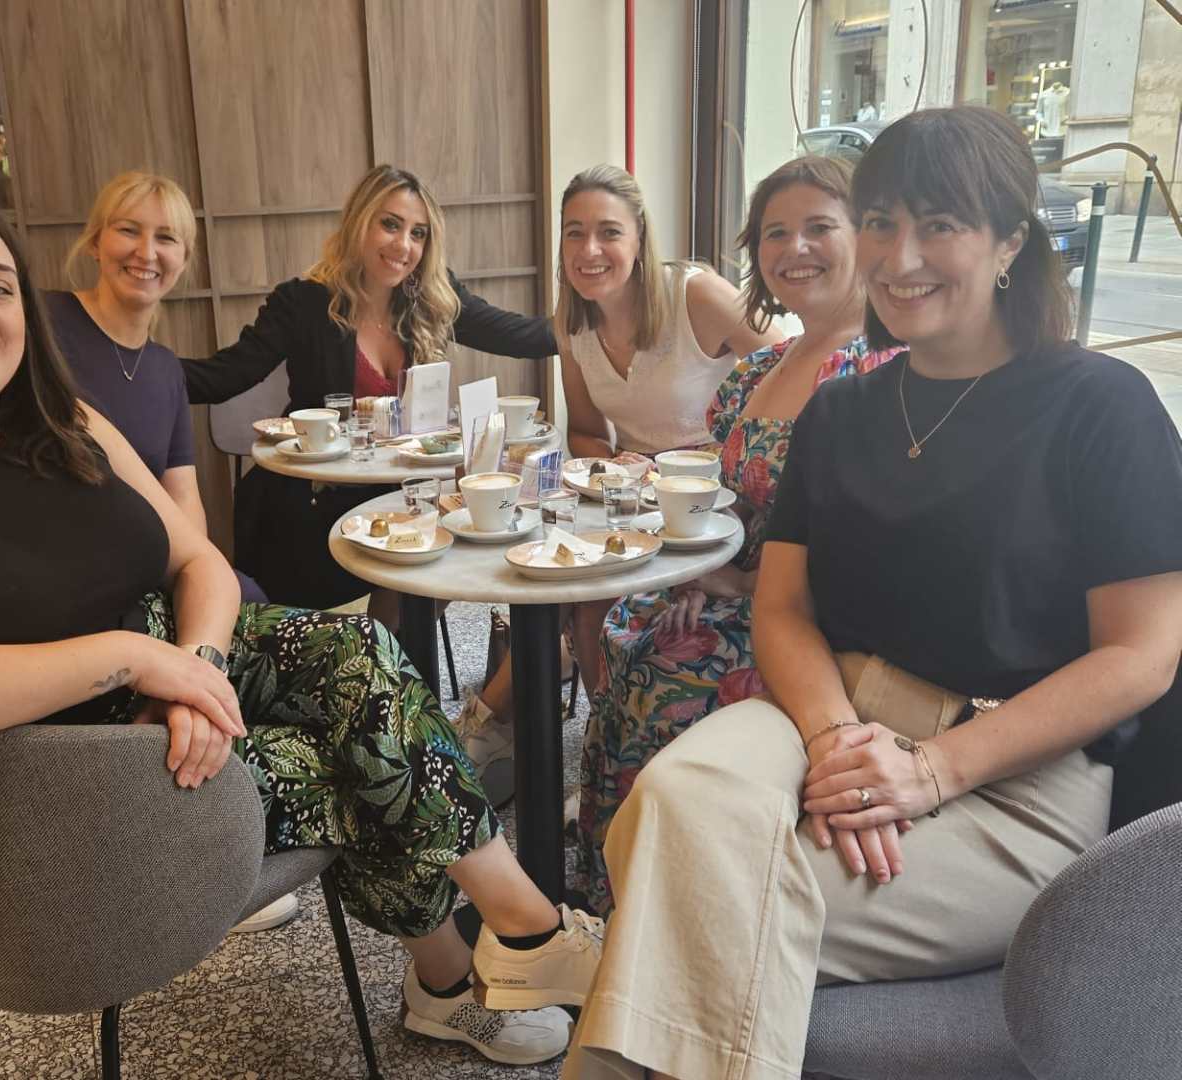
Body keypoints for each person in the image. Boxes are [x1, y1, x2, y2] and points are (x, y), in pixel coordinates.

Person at [0, 181, 602, 1068]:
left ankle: (513, 943)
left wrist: (198, 667)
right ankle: (477, 967)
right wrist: (133, 660)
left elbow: (199, 562)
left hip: (161, 690)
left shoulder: (60, 424)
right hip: (52, 775)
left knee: (363, 657)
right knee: (356, 757)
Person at [553, 107, 1182, 1079]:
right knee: (672, 799)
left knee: (686, 883)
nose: (900, 255)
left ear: (1011, 241)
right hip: (829, 710)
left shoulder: (1099, 405)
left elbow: (1142, 653)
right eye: (883, 222)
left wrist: (933, 771)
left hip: (1017, 765)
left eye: (940, 224)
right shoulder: (841, 410)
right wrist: (835, 740)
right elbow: (782, 607)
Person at [578, 155, 901, 914]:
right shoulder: (768, 366)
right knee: (628, 629)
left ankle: (675, 903)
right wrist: (700, 573)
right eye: (775, 233)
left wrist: (739, 584)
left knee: (660, 671)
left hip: (813, 619)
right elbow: (741, 504)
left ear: (866, 235)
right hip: (736, 587)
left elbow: (863, 548)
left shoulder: (880, 370)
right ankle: (613, 889)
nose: (795, 249)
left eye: (819, 227)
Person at [451, 164, 781, 796]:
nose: (590, 250)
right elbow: (585, 432)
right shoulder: (572, 324)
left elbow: (793, 374)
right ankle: (596, 754)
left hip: (725, 506)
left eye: (608, 232)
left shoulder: (696, 297)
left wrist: (700, 470)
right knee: (556, 576)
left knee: (585, 597)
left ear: (639, 238)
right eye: (574, 233)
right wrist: (613, 468)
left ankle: (496, 724)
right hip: (634, 508)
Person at [44, 172, 276, 924]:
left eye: (166, 237)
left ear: (185, 258)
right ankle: (195, 848)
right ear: (95, 240)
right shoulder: (44, 326)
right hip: (73, 576)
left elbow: (184, 499)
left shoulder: (167, 368)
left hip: (150, 565)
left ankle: (225, 835)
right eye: (128, 230)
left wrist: (200, 584)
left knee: (245, 607)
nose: (146, 252)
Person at [179, 164, 556, 612]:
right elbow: (227, 375)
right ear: (359, 223)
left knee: (460, 550)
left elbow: (517, 335)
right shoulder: (304, 302)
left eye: (418, 234)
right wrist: (134, 370)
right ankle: (380, 647)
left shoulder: (429, 298)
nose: (403, 245)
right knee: (418, 570)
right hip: (319, 501)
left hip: (400, 493)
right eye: (390, 225)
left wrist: (600, 320)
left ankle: (390, 651)